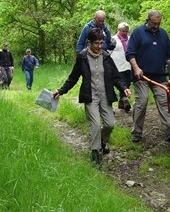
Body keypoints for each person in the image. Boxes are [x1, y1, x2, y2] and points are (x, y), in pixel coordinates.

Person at [53, 28, 131, 165]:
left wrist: (124, 88)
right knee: (94, 125)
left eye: (101, 43)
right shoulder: (82, 57)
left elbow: (116, 77)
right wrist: (61, 91)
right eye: (96, 43)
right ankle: (96, 153)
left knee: (110, 124)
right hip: (90, 97)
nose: (99, 46)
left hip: (105, 95)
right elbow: (73, 78)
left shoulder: (106, 57)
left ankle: (102, 141)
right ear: (89, 42)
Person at [125, 10, 170, 144]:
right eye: (153, 23)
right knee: (142, 102)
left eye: (158, 23)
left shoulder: (163, 34)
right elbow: (130, 53)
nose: (156, 26)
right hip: (141, 75)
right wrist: (136, 68)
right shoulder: (138, 32)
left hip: (159, 76)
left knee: (165, 101)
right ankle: (136, 132)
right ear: (147, 21)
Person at [109, 22, 132, 112]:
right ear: (118, 30)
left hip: (128, 65)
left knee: (128, 82)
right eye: (123, 31)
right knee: (121, 83)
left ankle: (121, 102)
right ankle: (125, 100)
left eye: (126, 31)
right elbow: (109, 52)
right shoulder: (113, 39)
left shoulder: (130, 39)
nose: (124, 33)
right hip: (117, 65)